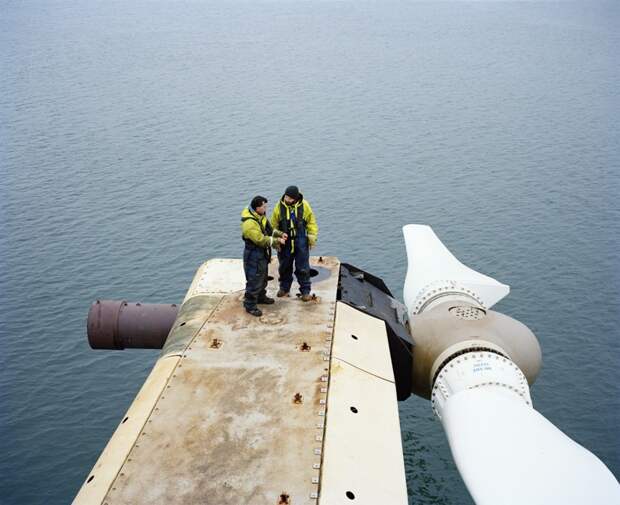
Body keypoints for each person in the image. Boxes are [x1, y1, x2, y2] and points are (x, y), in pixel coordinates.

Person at [270, 186, 318, 302]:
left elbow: (311, 223)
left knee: (303, 267)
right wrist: (276, 242)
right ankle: (284, 288)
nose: (287, 199)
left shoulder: (304, 206)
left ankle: (305, 291)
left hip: (301, 240)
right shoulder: (279, 207)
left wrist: (311, 239)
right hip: (285, 241)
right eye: (286, 196)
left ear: (295, 199)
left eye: (290, 198)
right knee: (284, 266)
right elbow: (273, 225)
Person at [241, 196, 287, 316]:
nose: (266, 208)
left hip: (261, 253)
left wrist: (280, 234)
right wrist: (277, 241)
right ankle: (250, 304)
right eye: (264, 206)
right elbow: (260, 239)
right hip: (253, 254)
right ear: (257, 208)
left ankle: (261, 297)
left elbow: (269, 230)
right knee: (254, 279)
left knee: (263, 276)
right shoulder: (249, 223)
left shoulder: (261, 216)